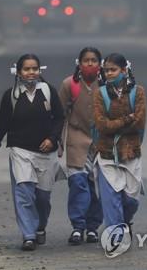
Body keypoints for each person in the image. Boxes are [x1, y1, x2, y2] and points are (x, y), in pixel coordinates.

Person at [0, 54, 64, 251]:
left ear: (40, 70)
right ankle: (28, 235)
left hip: (46, 152)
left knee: (42, 198)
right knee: (23, 192)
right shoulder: (11, 96)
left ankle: (40, 226)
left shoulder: (48, 91)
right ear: (18, 72)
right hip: (20, 149)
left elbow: (59, 117)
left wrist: (52, 139)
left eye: (34, 69)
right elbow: (3, 122)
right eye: (26, 69)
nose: (31, 72)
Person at [93, 53, 146, 242]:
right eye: (106, 70)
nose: (108, 74)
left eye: (113, 70)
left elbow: (139, 123)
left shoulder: (138, 92)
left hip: (131, 152)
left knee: (130, 200)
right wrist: (126, 120)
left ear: (124, 70)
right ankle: (115, 236)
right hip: (106, 153)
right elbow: (101, 125)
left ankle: (125, 221)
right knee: (111, 198)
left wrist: (114, 124)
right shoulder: (99, 93)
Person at [58, 47, 104, 245]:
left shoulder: (106, 85)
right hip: (76, 139)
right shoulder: (69, 84)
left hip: (101, 142)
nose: (90, 64)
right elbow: (59, 115)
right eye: (86, 60)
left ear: (100, 64)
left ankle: (92, 227)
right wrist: (58, 141)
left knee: (97, 186)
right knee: (78, 183)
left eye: (94, 60)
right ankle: (78, 226)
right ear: (79, 63)